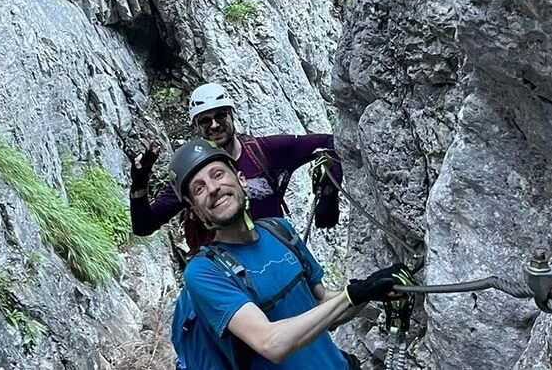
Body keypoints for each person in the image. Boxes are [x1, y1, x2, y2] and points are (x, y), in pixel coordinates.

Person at [169, 139, 410, 369]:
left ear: (241, 180)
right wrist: (352, 295)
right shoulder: (205, 272)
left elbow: (322, 304)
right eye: (199, 188)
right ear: (197, 212)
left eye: (218, 174)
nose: (212, 188)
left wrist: (372, 288)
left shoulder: (278, 230)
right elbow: (271, 343)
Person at [129, 82, 343, 254]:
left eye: (220, 115)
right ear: (197, 127)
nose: (214, 125)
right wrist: (139, 185)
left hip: (277, 256)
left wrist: (329, 192)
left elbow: (333, 142)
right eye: (205, 120)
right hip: (228, 276)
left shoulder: (265, 151)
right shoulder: (193, 176)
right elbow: (144, 226)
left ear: (232, 115)